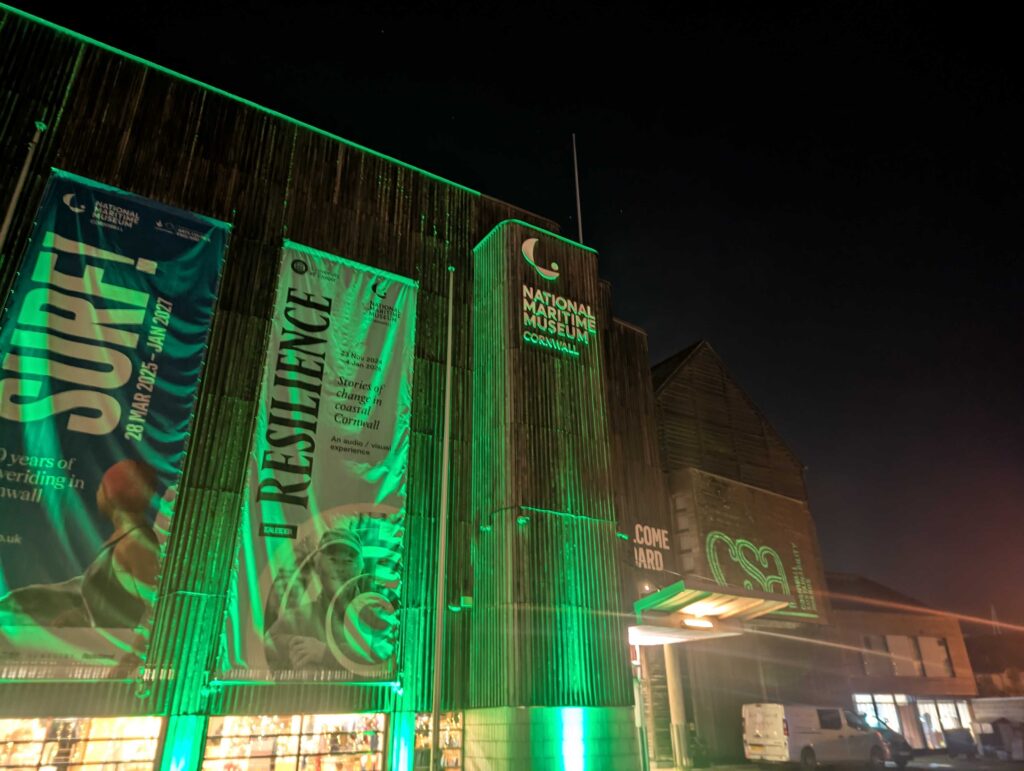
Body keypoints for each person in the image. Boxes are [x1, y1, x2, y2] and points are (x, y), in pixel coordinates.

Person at [265, 525, 365, 670]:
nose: (340, 568)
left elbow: (380, 657)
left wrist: (325, 653)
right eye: (333, 560)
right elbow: (267, 644)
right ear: (318, 567)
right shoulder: (299, 617)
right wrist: (293, 643)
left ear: (360, 569)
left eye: (348, 561)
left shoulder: (375, 614)